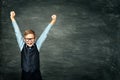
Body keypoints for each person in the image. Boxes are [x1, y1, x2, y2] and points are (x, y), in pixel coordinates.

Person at [10, 11, 57, 80]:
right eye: (27, 39)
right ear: (24, 39)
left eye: (31, 39)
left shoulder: (37, 45)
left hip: (36, 74)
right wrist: (12, 18)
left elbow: (45, 33)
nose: (29, 41)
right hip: (25, 74)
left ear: (35, 39)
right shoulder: (21, 45)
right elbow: (17, 32)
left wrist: (53, 21)